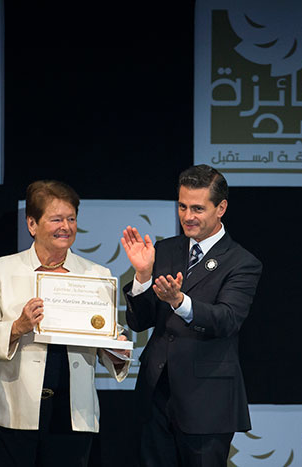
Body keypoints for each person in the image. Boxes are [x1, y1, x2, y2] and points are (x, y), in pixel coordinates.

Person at [0, 180, 131, 467]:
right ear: (32, 224)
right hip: (12, 413)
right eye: (56, 219)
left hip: (73, 416)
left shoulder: (96, 274)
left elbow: (107, 338)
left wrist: (116, 346)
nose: (65, 227)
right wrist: (18, 326)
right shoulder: (2, 270)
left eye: (71, 219)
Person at [121, 164, 263, 466]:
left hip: (206, 400)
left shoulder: (242, 262)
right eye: (182, 206)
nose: (187, 216)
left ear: (221, 208)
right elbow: (139, 322)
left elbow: (226, 320)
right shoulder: (165, 250)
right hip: (155, 395)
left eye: (198, 208)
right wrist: (143, 276)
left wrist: (179, 301)